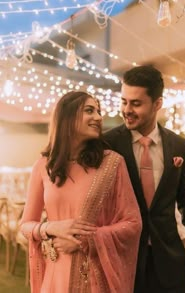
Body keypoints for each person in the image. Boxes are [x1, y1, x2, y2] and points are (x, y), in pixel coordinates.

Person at [104, 65, 185, 293]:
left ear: (157, 104)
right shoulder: (107, 144)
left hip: (170, 263)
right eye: (124, 102)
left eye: (136, 103)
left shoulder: (179, 146)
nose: (127, 110)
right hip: (124, 260)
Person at [20, 91, 142, 293]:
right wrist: (52, 228)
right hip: (56, 275)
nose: (98, 117)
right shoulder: (43, 166)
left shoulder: (112, 163)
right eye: (89, 110)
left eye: (98, 111)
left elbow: (133, 223)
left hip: (94, 276)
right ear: (67, 116)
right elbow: (26, 225)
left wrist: (86, 239)